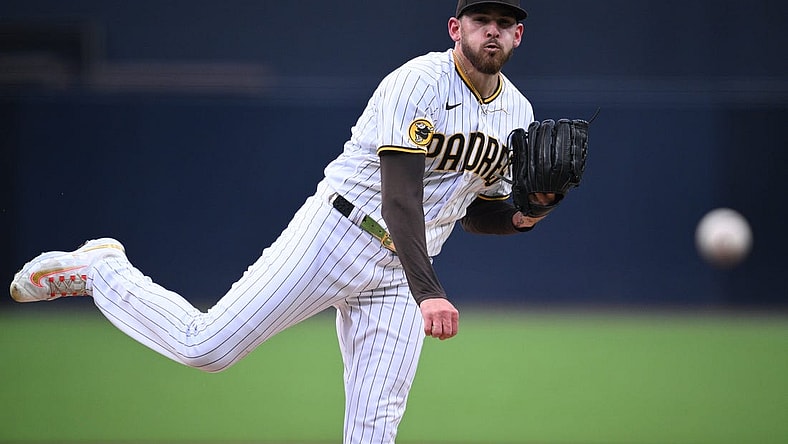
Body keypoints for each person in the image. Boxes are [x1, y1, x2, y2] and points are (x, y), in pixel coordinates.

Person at [10, 1, 555, 442]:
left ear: (519, 36)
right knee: (208, 348)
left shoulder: (519, 114)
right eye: (482, 20)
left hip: (402, 271)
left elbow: (478, 213)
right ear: (456, 28)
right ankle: (104, 269)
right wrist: (430, 291)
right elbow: (400, 200)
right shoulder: (417, 81)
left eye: (505, 23)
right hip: (338, 233)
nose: (493, 31)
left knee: (375, 429)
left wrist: (527, 214)